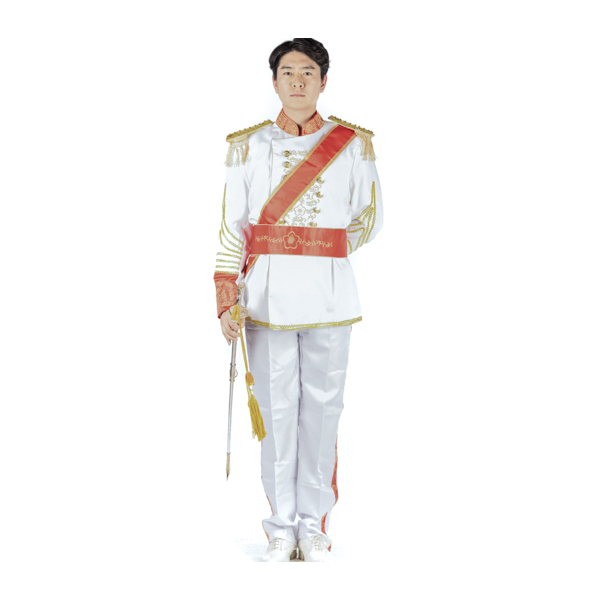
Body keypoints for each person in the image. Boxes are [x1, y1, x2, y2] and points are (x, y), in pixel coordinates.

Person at [213, 38, 383, 562]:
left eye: (308, 72)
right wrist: (225, 296)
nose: (297, 81)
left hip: (331, 298)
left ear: (323, 80)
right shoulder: (247, 147)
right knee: (276, 413)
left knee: (323, 413)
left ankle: (314, 525)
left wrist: (324, 253)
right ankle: (280, 527)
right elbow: (231, 229)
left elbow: (369, 217)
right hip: (265, 300)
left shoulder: (352, 145)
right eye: (287, 72)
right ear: (274, 81)